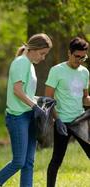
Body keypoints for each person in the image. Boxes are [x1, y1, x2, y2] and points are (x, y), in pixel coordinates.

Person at [0, 33, 53, 187]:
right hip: (17, 117)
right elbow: (17, 91)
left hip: (29, 115)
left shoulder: (29, 64)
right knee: (19, 161)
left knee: (29, 162)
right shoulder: (21, 63)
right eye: (42, 53)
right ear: (33, 49)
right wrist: (35, 106)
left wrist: (41, 100)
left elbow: (26, 93)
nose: (43, 57)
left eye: (45, 54)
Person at [45, 37, 90, 187]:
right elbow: (48, 99)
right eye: (77, 56)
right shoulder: (56, 71)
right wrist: (56, 120)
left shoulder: (85, 72)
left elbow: (85, 98)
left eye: (83, 57)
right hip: (62, 121)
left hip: (80, 120)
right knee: (57, 159)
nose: (79, 60)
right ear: (69, 53)